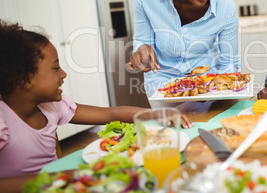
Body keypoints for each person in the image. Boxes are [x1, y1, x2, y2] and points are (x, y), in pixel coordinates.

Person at [0, 21, 193, 191]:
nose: (63, 74)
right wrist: (66, 176)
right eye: (55, 68)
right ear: (26, 79)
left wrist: (154, 114)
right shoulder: (3, 120)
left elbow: (110, 114)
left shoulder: (52, 107)